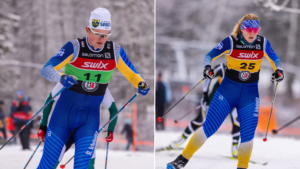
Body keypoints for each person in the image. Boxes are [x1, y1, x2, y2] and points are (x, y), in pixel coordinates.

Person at [37, 7, 150, 169]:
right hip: (62, 118)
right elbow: (46, 69)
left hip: (89, 120)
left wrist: (141, 83)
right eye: (98, 33)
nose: (102, 38)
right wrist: (60, 77)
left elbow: (133, 75)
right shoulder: (74, 47)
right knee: (47, 166)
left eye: (106, 34)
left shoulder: (114, 51)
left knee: (83, 166)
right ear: (88, 30)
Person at [167, 14, 284, 169]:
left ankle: (242, 167)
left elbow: (275, 60)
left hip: (249, 95)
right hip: (228, 91)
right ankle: (182, 160)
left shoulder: (263, 43)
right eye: (249, 29)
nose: (252, 33)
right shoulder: (230, 42)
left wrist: (279, 71)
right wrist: (207, 68)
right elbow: (209, 56)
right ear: (242, 29)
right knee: (209, 127)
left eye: (256, 30)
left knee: (248, 135)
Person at [159, 63, 241, 157]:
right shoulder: (223, 67)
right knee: (201, 120)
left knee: (237, 120)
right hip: (217, 96)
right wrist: (205, 94)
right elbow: (208, 76)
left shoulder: (245, 70)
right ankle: (179, 141)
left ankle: (234, 149)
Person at [37, 83, 118, 169]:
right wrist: (43, 125)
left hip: (86, 130)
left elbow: (114, 110)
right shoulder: (69, 78)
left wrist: (110, 129)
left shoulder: (101, 85)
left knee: (87, 165)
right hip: (64, 130)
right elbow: (50, 99)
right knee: (49, 164)